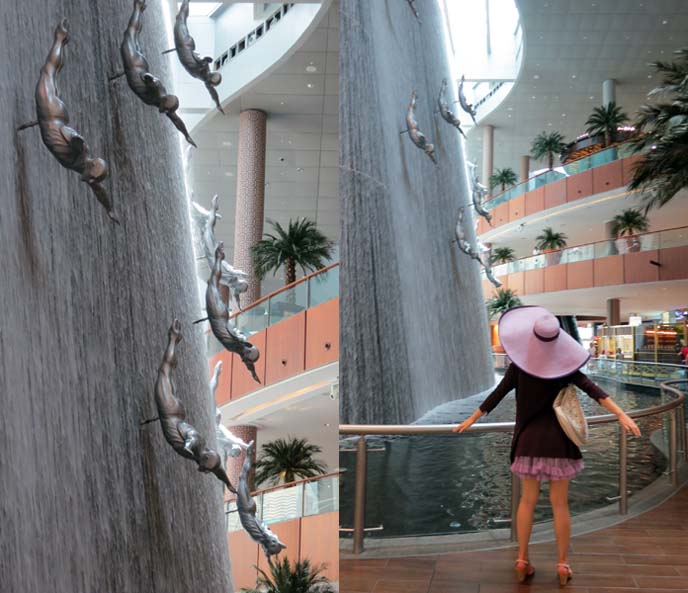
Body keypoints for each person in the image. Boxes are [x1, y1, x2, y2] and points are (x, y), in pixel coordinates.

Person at [453, 306, 640, 586]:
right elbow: (595, 391)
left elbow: (496, 396)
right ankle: (563, 565)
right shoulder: (566, 368)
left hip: (528, 443)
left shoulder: (518, 368)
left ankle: (522, 559)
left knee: (526, 501)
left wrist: (470, 419)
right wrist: (622, 414)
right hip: (559, 445)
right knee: (560, 505)